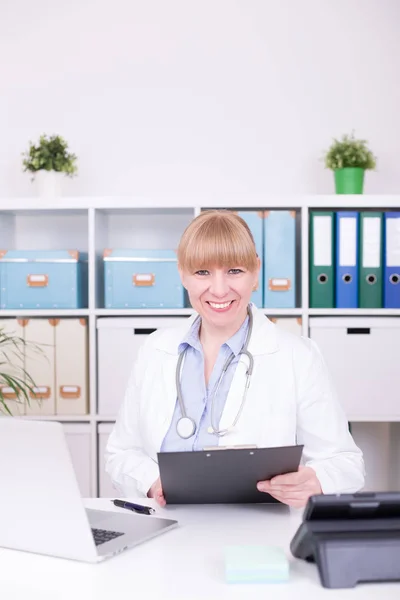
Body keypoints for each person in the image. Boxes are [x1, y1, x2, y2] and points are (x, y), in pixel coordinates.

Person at [105, 210, 365, 509]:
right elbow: (121, 453)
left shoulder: (297, 356)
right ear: (182, 274)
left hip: (256, 536)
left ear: (256, 272)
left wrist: (318, 481)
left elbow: (346, 463)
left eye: (235, 271)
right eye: (202, 272)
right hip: (165, 527)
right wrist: (151, 481)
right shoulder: (155, 350)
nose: (218, 289)